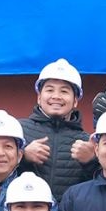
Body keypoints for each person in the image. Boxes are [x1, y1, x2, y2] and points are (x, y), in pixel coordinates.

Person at [19, 58, 89, 199]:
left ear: (75, 101)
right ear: (39, 97)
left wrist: (91, 161)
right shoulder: (18, 129)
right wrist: (22, 156)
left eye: (64, 91)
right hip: (26, 210)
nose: (56, 96)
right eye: (50, 90)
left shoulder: (86, 142)